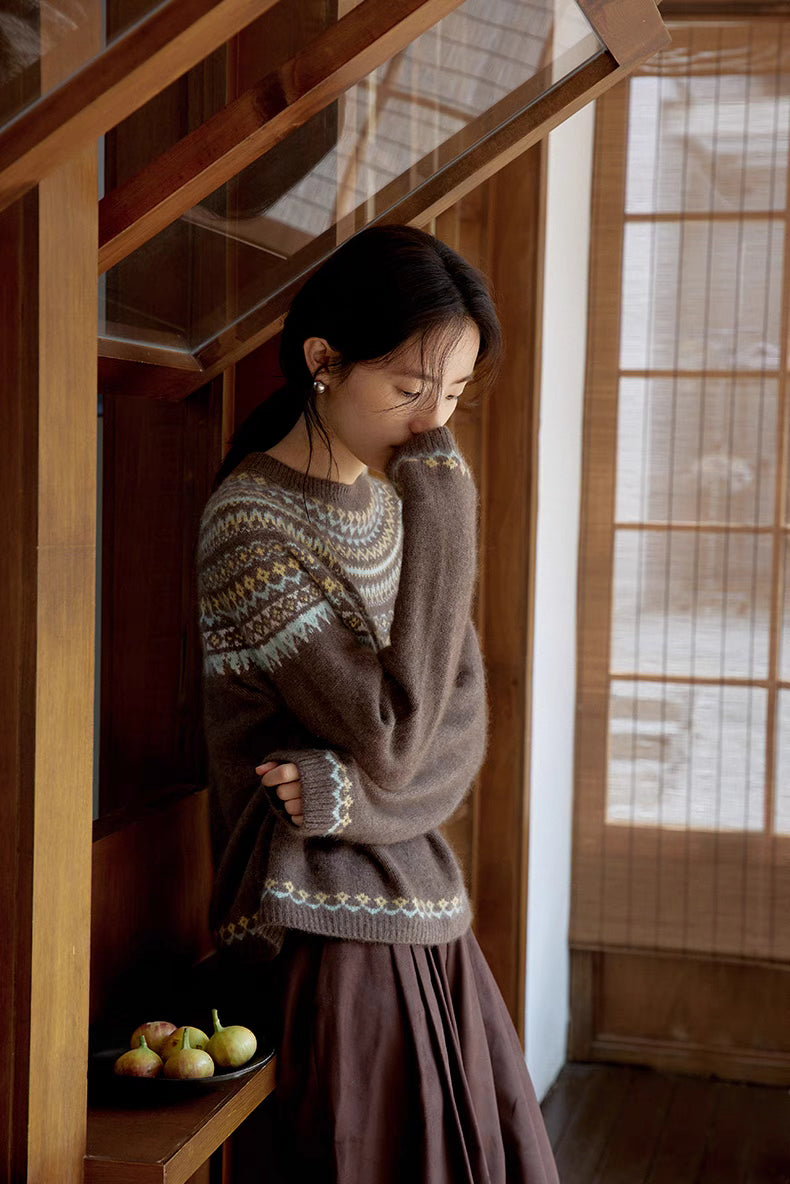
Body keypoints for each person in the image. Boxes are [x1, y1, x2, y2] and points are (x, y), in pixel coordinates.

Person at [197, 224, 559, 1184]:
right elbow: (400, 735)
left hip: (410, 901)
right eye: (409, 390)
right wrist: (448, 515)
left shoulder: (397, 506)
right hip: (318, 922)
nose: (434, 426)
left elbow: (461, 725)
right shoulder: (251, 527)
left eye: (455, 393)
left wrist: (351, 803)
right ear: (324, 361)